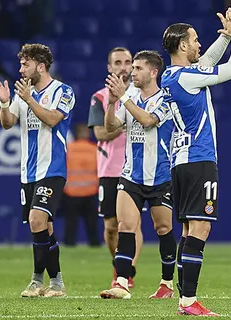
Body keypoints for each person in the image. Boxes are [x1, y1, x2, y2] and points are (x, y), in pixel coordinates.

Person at [161, 2, 231, 315]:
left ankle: (185, 296)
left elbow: (205, 61)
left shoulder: (174, 76)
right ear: (183, 44)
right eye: (195, 39)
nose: (199, 44)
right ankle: (188, 301)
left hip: (181, 162)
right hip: (199, 159)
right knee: (201, 228)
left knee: (187, 231)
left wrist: (223, 38)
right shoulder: (187, 77)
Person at [0, 43, 74, 298]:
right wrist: (5, 103)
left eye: (25, 64)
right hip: (27, 172)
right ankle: (57, 284)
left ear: (40, 66)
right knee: (44, 228)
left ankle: (36, 280)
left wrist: (29, 99)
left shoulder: (64, 91)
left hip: (52, 168)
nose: (20, 69)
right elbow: (8, 124)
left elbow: (52, 119)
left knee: (36, 220)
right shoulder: (22, 94)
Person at [99, 50, 177, 300]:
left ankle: (167, 283)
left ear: (153, 72)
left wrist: (123, 97)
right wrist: (112, 102)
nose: (132, 72)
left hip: (160, 176)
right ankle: (121, 282)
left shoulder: (166, 99)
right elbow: (111, 126)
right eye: (133, 68)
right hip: (131, 175)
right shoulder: (129, 96)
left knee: (163, 227)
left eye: (138, 68)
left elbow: (147, 121)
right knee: (126, 226)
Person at [88, 47, 142, 288]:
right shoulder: (100, 97)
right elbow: (100, 132)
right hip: (109, 168)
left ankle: (127, 272)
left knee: (132, 224)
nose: (123, 66)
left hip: (137, 167)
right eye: (117, 62)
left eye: (128, 62)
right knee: (111, 227)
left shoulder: (142, 95)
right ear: (109, 67)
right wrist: (131, 120)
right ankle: (118, 264)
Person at [62, 123, 100, 247]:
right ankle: (94, 245)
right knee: (92, 225)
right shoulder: (95, 149)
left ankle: (69, 245)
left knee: (70, 224)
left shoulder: (68, 149)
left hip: (71, 191)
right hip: (90, 191)